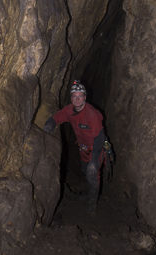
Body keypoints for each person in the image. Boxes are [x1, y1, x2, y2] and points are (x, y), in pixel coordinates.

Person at [44, 80, 106, 213]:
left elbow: (100, 138)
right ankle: (89, 192)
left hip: (96, 149)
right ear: (71, 98)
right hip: (83, 150)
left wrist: (94, 160)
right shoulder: (69, 110)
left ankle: (92, 205)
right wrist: (51, 123)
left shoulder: (92, 114)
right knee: (85, 171)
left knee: (92, 173)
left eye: (80, 96)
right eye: (74, 96)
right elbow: (58, 116)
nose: (77, 99)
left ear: (85, 97)